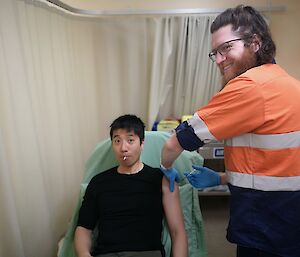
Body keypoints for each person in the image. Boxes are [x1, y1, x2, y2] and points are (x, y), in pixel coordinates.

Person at [160, 5, 300, 257]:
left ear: (255, 43)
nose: (220, 59)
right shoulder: (289, 84)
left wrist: (167, 168)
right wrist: (222, 178)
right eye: (215, 52)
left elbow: (174, 143)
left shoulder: (250, 86)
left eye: (226, 47)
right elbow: (277, 165)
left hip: (267, 226)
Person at [74, 114, 188, 257]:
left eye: (130, 140)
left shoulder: (162, 179)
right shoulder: (98, 182)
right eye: (117, 141)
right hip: (107, 253)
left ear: (142, 144)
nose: (123, 148)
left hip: (147, 253)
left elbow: (178, 231)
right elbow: (83, 228)